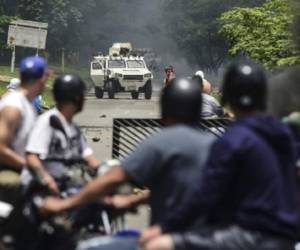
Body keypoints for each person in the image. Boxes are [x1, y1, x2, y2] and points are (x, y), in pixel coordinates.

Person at [141, 61, 299, 250]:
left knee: (157, 245)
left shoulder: (233, 139)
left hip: (251, 236)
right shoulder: (284, 134)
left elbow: (204, 195)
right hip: (286, 236)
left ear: (228, 97)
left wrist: (163, 227)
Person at [41, 78, 215, 227]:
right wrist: (134, 200)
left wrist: (65, 204)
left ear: (164, 108)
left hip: (172, 237)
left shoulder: (162, 143)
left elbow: (114, 178)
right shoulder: (216, 144)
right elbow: (181, 190)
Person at [25, 75, 100, 194]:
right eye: (82, 96)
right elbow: (32, 157)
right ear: (77, 98)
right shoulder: (47, 122)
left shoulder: (73, 127)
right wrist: (48, 182)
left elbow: (88, 157)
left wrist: (108, 171)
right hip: (47, 189)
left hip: (70, 184)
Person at [0, 56, 49, 203]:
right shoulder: (14, 106)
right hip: (9, 170)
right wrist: (32, 168)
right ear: (42, 80)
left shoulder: (27, 104)